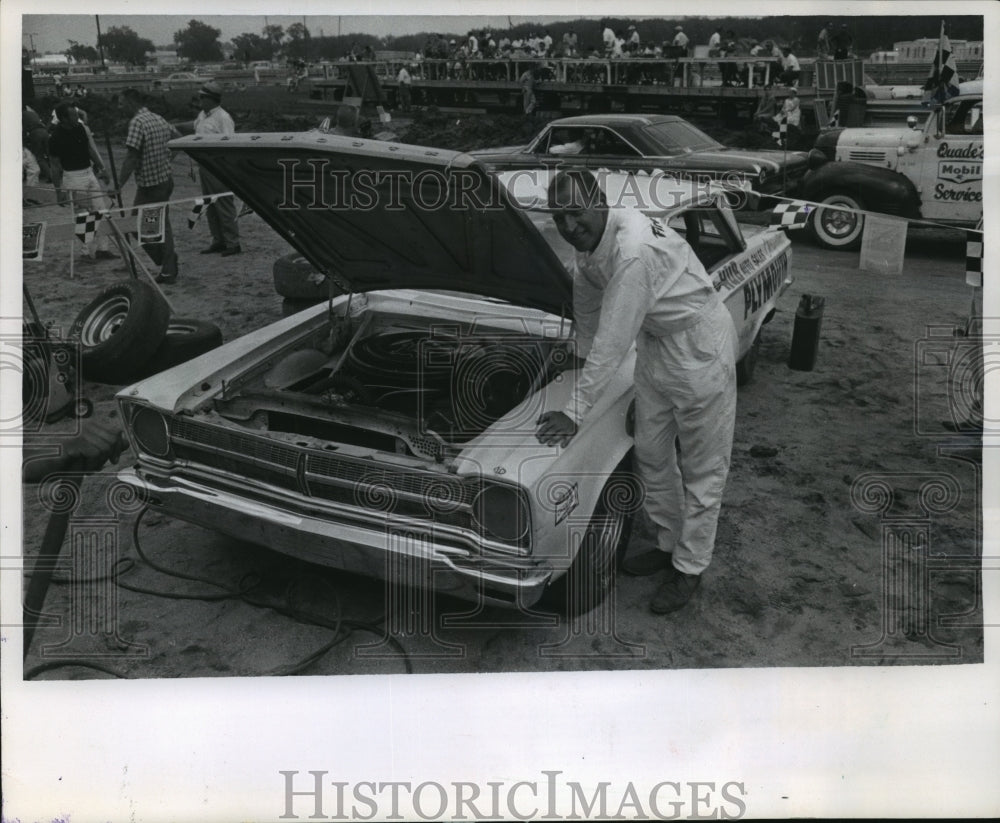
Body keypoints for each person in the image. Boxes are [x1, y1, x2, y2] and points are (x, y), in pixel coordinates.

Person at [536, 170, 738, 614]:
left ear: (600, 201)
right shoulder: (590, 249)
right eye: (559, 216)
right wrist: (576, 362)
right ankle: (668, 542)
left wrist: (574, 408)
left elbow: (613, 337)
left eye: (576, 211)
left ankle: (690, 567)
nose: (569, 225)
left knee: (705, 466)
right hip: (655, 344)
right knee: (650, 451)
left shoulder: (632, 250)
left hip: (698, 344)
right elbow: (588, 312)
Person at [118, 87, 181, 284]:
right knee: (157, 225)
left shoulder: (137, 122)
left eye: (121, 103)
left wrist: (118, 185)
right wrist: (166, 159)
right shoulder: (157, 117)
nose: (120, 107)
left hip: (150, 186)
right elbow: (178, 138)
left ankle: (168, 263)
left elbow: (131, 157)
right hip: (163, 180)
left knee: (140, 225)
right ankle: (168, 262)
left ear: (131, 101)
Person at [175, 82, 241, 257]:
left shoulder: (223, 118)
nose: (200, 100)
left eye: (202, 97)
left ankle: (233, 242)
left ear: (212, 99)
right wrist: (178, 126)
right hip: (204, 165)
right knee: (210, 205)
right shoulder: (203, 115)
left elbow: (231, 143)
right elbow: (195, 126)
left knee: (223, 204)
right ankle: (218, 240)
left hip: (218, 165)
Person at [47, 101, 115, 261]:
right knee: (83, 215)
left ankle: (103, 249)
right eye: (73, 115)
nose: (77, 118)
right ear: (63, 118)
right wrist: (59, 191)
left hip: (89, 172)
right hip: (73, 177)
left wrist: (102, 168)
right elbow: (55, 166)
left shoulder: (80, 129)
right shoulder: (55, 137)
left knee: (101, 210)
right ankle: (85, 252)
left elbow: (90, 150)